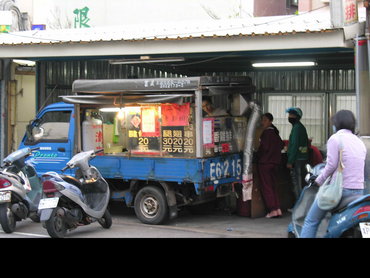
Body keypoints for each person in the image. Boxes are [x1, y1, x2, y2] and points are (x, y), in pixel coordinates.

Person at [300, 110, 366, 238]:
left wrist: (318, 181)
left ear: (337, 123)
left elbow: (331, 165)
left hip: (340, 191)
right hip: (359, 192)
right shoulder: (359, 142)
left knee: (311, 221)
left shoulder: (335, 139)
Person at [256, 113, 285, 218]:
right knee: (273, 186)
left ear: (270, 121)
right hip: (275, 163)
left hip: (265, 163)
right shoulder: (275, 134)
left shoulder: (266, 134)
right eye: (262, 120)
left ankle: (272, 209)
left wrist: (257, 154)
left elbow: (263, 149)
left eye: (264, 120)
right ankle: (277, 209)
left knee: (267, 187)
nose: (262, 122)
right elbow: (281, 145)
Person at [286, 107, 309, 200]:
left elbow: (295, 145)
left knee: (297, 183)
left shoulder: (297, 128)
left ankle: (298, 206)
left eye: (292, 115)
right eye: (289, 115)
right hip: (302, 158)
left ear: (297, 117)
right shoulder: (300, 127)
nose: (289, 117)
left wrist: (290, 161)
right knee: (301, 183)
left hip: (297, 159)